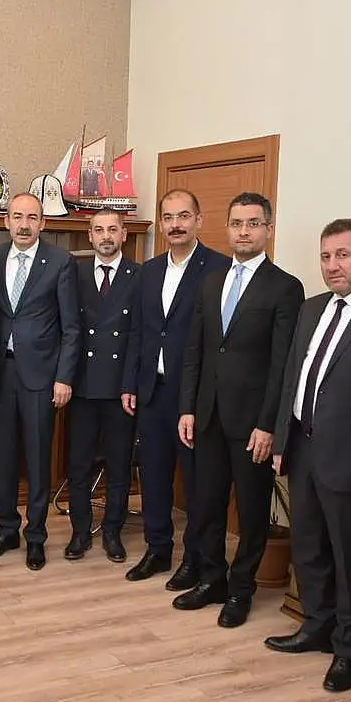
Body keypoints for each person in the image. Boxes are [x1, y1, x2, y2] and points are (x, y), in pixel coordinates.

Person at [265, 219, 351, 692]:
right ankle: (316, 626)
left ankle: (349, 649)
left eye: (342, 255)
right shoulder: (312, 308)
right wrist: (281, 441)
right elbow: (292, 379)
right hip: (303, 448)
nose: (332, 265)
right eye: (325, 256)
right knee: (309, 546)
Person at [177, 192, 304, 628]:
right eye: (236, 223)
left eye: (252, 223)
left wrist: (269, 425)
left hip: (252, 425)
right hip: (208, 416)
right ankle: (212, 579)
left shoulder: (285, 287)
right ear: (227, 228)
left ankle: (241, 589)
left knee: (251, 513)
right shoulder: (211, 281)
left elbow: (283, 366)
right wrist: (187, 407)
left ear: (268, 228)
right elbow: (195, 349)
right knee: (206, 505)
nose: (243, 231)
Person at [121, 189, 229, 583]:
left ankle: (196, 558)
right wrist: (131, 381)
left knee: (198, 483)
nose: (175, 225)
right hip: (152, 391)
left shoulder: (219, 269)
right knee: (153, 476)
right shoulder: (148, 271)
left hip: (195, 397)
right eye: (168, 217)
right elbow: (139, 331)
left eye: (183, 216)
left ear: (198, 220)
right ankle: (158, 549)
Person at [0, 192, 80, 570]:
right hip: (1, 374)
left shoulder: (60, 261)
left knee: (38, 459)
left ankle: (35, 535)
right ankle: (6, 529)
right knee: (3, 457)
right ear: (6, 221)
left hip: (42, 376)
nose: (24, 225)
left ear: (43, 223)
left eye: (32, 217)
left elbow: (71, 327)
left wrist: (64, 377)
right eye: (18, 217)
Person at [65, 208, 140, 562]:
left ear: (124, 234)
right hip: (82, 386)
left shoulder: (139, 275)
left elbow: (139, 336)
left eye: (112, 229)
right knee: (78, 464)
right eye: (99, 230)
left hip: (120, 389)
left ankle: (112, 532)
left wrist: (130, 384)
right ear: (90, 236)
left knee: (119, 465)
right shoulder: (75, 273)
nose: (106, 236)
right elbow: (68, 329)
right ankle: (80, 532)